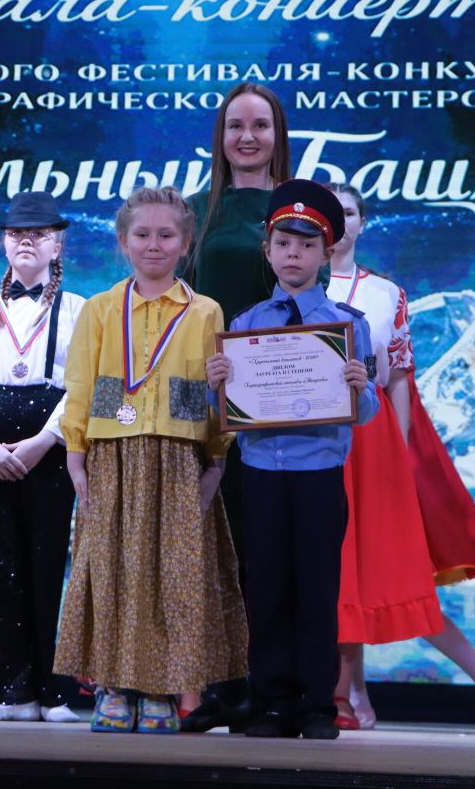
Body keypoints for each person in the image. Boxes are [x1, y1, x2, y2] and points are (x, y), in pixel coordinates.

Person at [323, 184, 475, 733]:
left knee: (374, 571)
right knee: (342, 575)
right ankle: (353, 695)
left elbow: (400, 378)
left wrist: (401, 454)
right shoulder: (287, 284)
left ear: (363, 222)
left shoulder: (386, 293)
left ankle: (355, 695)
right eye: (328, 212)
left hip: (368, 439)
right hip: (306, 436)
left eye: (348, 212)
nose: (338, 221)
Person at [55, 186, 247, 735]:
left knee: (172, 577)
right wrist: (76, 454)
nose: (154, 244)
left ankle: (163, 688)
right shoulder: (100, 309)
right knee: (111, 571)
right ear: (124, 242)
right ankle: (113, 687)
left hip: (180, 458)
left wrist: (215, 461)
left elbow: (216, 395)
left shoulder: (205, 311)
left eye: (166, 235)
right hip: (112, 455)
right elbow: (81, 384)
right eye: (142, 234)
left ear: (186, 244)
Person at [206, 179, 377, 739]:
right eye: (283, 244)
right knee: (267, 589)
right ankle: (273, 702)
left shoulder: (347, 324)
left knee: (317, 590)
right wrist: (217, 385)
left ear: (327, 253)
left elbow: (366, 411)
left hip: (318, 475)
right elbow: (227, 412)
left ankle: (317, 705)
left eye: (307, 245)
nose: (293, 255)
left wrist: (359, 386)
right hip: (260, 475)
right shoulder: (246, 323)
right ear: (268, 250)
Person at [180, 81, 293, 732]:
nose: (247, 137)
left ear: (279, 134)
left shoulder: (295, 208)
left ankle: (270, 688)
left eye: (260, 125)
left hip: (278, 408)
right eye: (235, 126)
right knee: (210, 551)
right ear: (219, 137)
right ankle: (218, 689)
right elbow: (172, 316)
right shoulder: (195, 211)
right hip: (205, 401)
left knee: (267, 551)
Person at [0, 192, 84, 723]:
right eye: (17, 233)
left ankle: (53, 692)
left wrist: (44, 440)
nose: (27, 241)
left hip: (50, 449)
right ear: (4, 242)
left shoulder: (78, 310)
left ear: (57, 244)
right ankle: (4, 691)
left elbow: (83, 385)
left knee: (48, 564)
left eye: (39, 233)